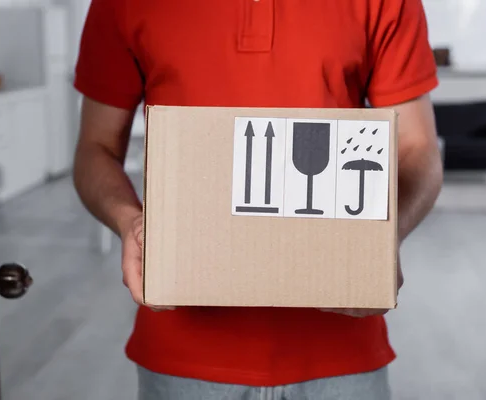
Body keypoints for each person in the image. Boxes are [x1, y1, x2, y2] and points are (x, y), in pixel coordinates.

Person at [72, 0, 444, 398]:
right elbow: (95, 148)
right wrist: (129, 222)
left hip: (342, 353)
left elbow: (418, 149)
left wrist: (381, 246)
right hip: (183, 354)